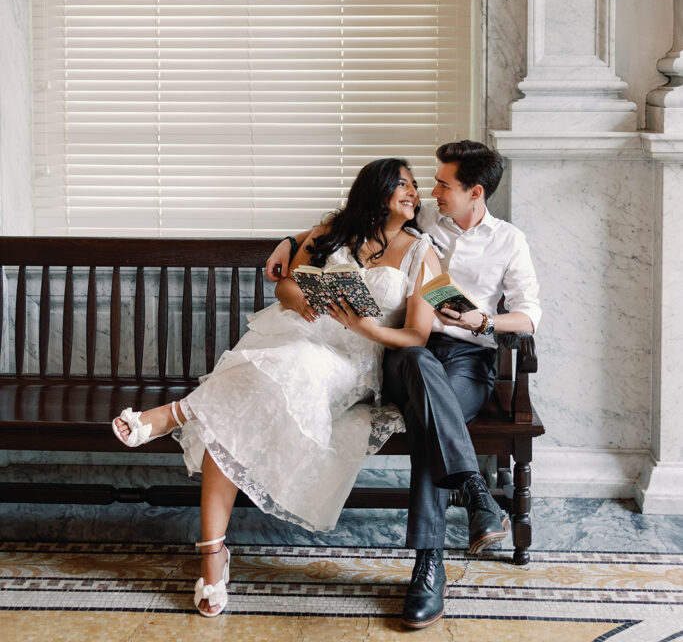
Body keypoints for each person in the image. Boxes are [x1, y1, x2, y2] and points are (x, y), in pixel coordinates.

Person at [112, 158, 442, 617]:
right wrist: (306, 299)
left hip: (350, 359)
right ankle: (212, 554)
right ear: (377, 188)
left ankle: (176, 413)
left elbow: (417, 336)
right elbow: (285, 288)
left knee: (269, 380)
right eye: (402, 183)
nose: (413, 192)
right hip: (295, 333)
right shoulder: (335, 229)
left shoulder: (422, 253)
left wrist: (367, 328)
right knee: (237, 411)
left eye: (415, 186)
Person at [266, 140, 541, 629]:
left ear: (475, 192)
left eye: (444, 185)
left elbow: (529, 316)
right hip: (404, 354)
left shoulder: (509, 241)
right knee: (416, 360)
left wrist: (482, 321)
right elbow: (352, 221)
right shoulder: (422, 222)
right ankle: (475, 492)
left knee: (427, 417)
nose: (431, 192)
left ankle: (428, 567)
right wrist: (290, 241)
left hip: (466, 360)